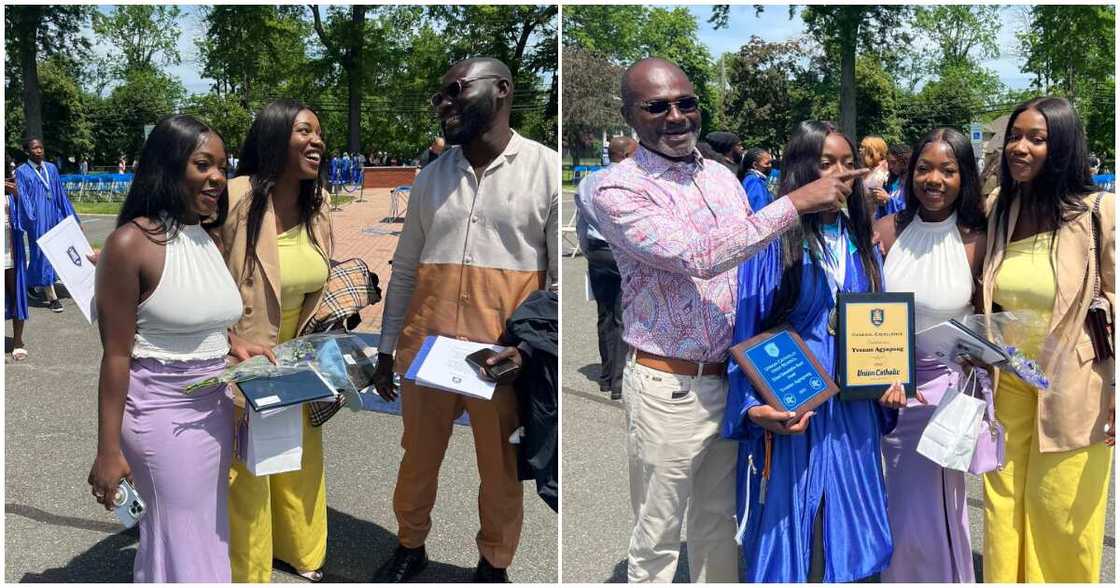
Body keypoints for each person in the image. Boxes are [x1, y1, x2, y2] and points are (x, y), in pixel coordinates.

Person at [590, 57, 854, 583]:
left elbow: (752, 274)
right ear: (629, 115)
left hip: (733, 381)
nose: (675, 116)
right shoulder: (616, 189)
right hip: (670, 387)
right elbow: (698, 255)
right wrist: (794, 204)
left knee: (719, 524)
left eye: (685, 102)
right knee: (658, 534)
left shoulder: (721, 178)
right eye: (657, 106)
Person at [370, 56, 557, 584]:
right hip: (427, 353)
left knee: (500, 474)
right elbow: (405, 269)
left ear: (500, 90)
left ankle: (493, 563)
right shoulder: (431, 178)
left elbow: (560, 288)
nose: (444, 105)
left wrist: (527, 351)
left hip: (500, 360)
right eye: (439, 98)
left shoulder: (544, 169)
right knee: (416, 463)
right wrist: (387, 350)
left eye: (454, 91)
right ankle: (411, 545)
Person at [85, 114, 267, 582]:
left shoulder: (203, 235)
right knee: (180, 539)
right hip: (160, 417)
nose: (217, 178)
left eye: (223, 167)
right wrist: (107, 450)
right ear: (167, 166)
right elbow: (117, 354)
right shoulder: (132, 244)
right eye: (202, 164)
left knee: (205, 533)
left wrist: (234, 342)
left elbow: (190, 315)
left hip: (214, 411)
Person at [723, 120, 905, 582]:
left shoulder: (863, 246)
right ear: (802, 172)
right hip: (794, 399)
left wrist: (892, 375)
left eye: (849, 163)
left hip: (853, 405)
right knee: (790, 519)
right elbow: (748, 334)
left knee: (853, 521)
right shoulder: (771, 248)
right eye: (827, 165)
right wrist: (752, 407)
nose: (841, 174)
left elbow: (879, 328)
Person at [979, 96, 1114, 582]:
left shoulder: (1101, 213)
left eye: (1036, 139)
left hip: (1075, 387)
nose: (1020, 147)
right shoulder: (1001, 208)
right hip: (1007, 381)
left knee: (1061, 513)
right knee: (1002, 505)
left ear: (1061, 148)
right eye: (1015, 136)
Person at [221, 99, 333, 583]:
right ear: (274, 137)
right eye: (304, 131)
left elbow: (316, 276)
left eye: (320, 133)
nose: (317, 142)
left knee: (300, 454)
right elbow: (186, 260)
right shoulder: (235, 197)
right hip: (245, 350)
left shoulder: (319, 202)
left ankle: (301, 550)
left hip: (298, 351)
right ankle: (248, 569)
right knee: (246, 467)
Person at [874, 127, 988, 582]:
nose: (934, 179)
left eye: (948, 169)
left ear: (965, 177)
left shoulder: (978, 239)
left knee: (942, 499)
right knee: (896, 498)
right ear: (910, 172)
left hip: (946, 392)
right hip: (887, 388)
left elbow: (988, 314)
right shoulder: (886, 230)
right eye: (924, 168)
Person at [574, 135, 636, 400]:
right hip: (621, 252)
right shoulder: (629, 181)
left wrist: (587, 251)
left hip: (597, 252)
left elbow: (581, 222)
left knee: (605, 316)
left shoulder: (588, 181)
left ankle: (606, 376)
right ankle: (619, 382)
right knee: (623, 316)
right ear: (625, 155)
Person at [14, 138, 78, 313]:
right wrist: (31, 220)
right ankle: (52, 297)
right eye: (35, 148)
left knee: (54, 252)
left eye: (41, 147)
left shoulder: (51, 168)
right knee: (43, 254)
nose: (39, 150)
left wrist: (70, 216)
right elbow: (24, 198)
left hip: (54, 216)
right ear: (27, 151)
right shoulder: (22, 171)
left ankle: (29, 281)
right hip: (38, 219)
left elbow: (60, 194)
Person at [5, 156, 29, 361]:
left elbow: (30, 218)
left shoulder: (13, 190)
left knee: (16, 294)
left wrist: (17, 195)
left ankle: (18, 341)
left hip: (11, 253)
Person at [874, 142, 911, 218]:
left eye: (894, 163)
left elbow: (911, 210)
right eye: (889, 162)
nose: (890, 167)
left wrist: (888, 200)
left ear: (905, 161)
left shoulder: (913, 184)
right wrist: (882, 203)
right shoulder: (894, 183)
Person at [860, 136, 891, 210]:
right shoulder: (867, 168)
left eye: (863, 147)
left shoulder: (885, 169)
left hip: (879, 217)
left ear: (872, 150)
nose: (859, 149)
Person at [738, 147, 774, 212]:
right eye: (767, 163)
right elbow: (759, 210)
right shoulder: (754, 182)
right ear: (755, 165)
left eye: (770, 163)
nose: (770, 166)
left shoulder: (756, 179)